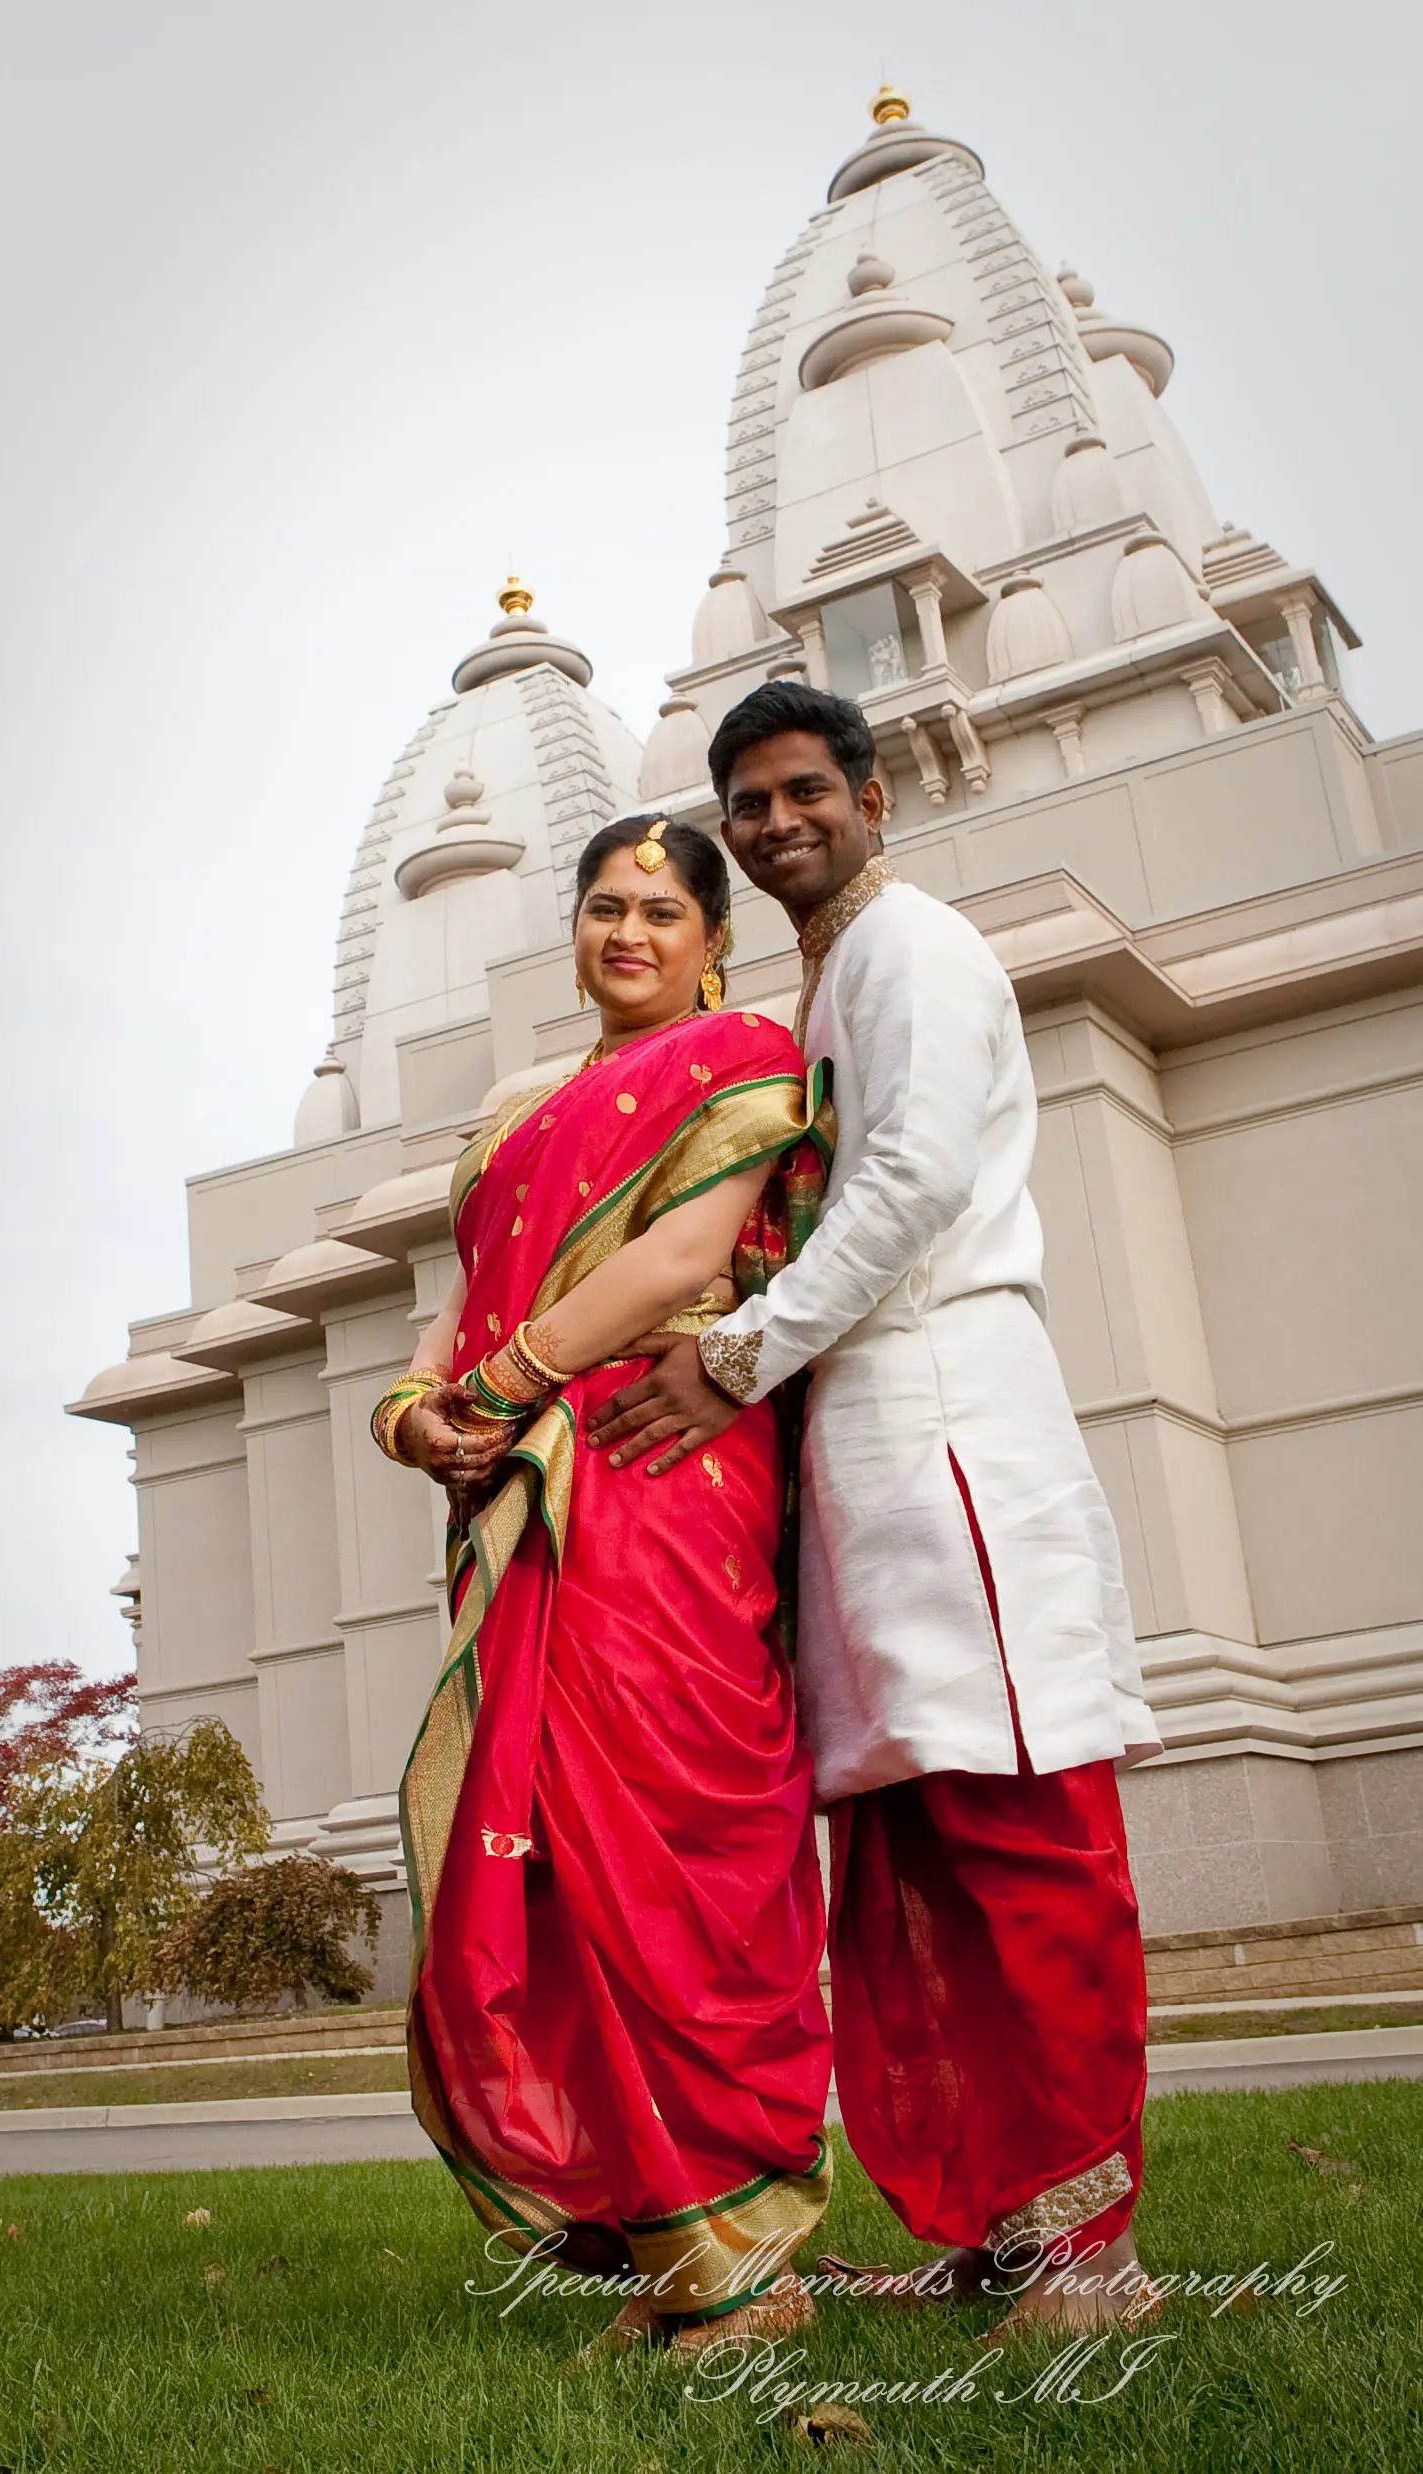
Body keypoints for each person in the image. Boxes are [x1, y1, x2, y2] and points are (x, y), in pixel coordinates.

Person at [587, 683, 1165, 2340]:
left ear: (875, 793)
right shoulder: (832, 975)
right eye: (746, 802)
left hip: (950, 1419)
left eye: (799, 792)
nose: (773, 824)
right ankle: (999, 2215)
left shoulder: (912, 946)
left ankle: (1088, 2247)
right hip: (869, 1447)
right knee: (914, 1850)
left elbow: (906, 1182)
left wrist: (737, 1355)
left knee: (1023, 1834)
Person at [371, 812, 834, 2360]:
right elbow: (456, 1301)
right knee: (562, 1856)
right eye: (600, 907)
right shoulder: (517, 1112)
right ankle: (668, 2247)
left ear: (715, 934)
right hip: (515, 1488)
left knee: (679, 1834)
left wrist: (496, 1386)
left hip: (654, 1467)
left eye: (658, 909)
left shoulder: (742, 1058)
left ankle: (748, 2267)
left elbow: (682, 1254)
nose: (625, 932)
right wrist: (417, 1410)